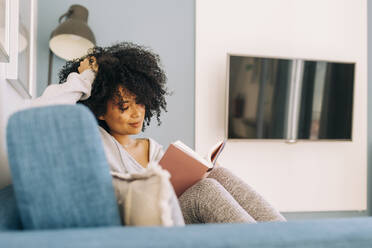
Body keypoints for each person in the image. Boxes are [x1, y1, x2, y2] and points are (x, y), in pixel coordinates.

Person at [28, 42, 286, 225]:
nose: (136, 113)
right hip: (136, 228)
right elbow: (37, 116)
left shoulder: (152, 148)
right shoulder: (92, 140)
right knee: (205, 191)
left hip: (170, 216)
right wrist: (86, 77)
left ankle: (290, 237)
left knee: (218, 174)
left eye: (140, 103)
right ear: (100, 111)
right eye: (123, 106)